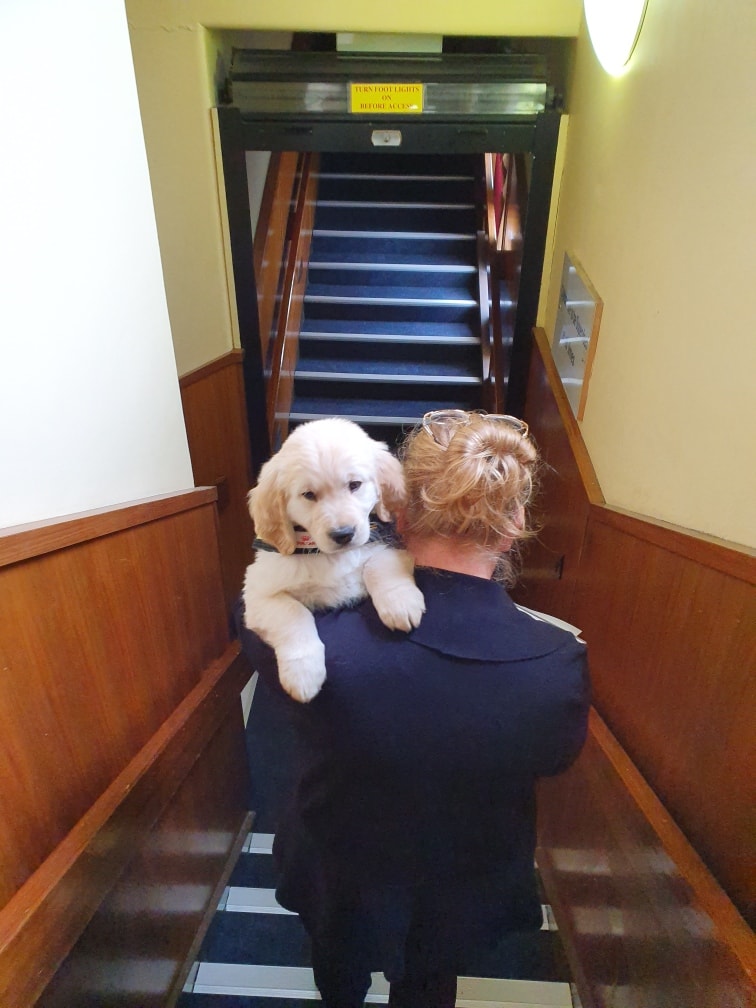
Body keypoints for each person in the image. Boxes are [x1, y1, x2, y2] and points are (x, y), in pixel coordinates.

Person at [236, 409, 590, 1008]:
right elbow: (554, 759)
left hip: (335, 865)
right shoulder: (555, 662)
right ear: (515, 524)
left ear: (395, 508)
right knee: (429, 983)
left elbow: (271, 651)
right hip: (462, 882)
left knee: (337, 967)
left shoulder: (316, 643)